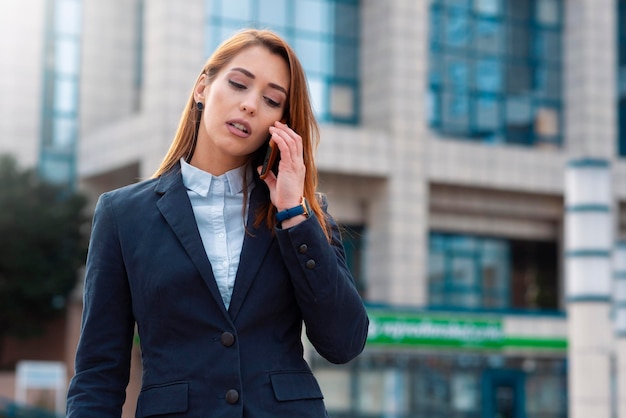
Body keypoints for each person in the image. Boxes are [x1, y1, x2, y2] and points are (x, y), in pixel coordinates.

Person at [66, 28, 369, 417]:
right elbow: (98, 373)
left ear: (281, 122)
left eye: (271, 100)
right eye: (239, 84)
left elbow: (344, 343)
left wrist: (293, 214)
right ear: (202, 88)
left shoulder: (302, 213)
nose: (249, 105)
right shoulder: (122, 215)